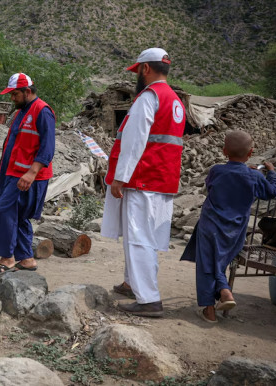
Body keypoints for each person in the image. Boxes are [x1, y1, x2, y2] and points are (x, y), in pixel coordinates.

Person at [100, 48, 185, 317]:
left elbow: (134, 142)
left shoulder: (149, 97)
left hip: (143, 178)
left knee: (139, 238)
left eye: (137, 69)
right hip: (161, 180)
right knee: (144, 237)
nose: (136, 74)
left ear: (146, 68)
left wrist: (120, 177)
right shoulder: (175, 101)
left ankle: (148, 299)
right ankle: (131, 283)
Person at [181, 131, 276, 323]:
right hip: (234, 231)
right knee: (219, 262)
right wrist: (272, 172)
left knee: (207, 265)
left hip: (210, 225)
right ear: (250, 153)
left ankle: (211, 309)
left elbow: (210, 186)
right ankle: (224, 291)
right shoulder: (254, 176)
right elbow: (272, 192)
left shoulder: (216, 170)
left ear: (224, 151)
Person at [0, 73, 55, 274]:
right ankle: (26, 259)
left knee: (4, 210)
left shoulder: (42, 111)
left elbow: (48, 147)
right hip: (12, 172)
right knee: (19, 216)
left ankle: (7, 258)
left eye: (15, 94)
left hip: (26, 175)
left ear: (27, 91)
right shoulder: (21, 112)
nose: (12, 98)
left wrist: (32, 173)